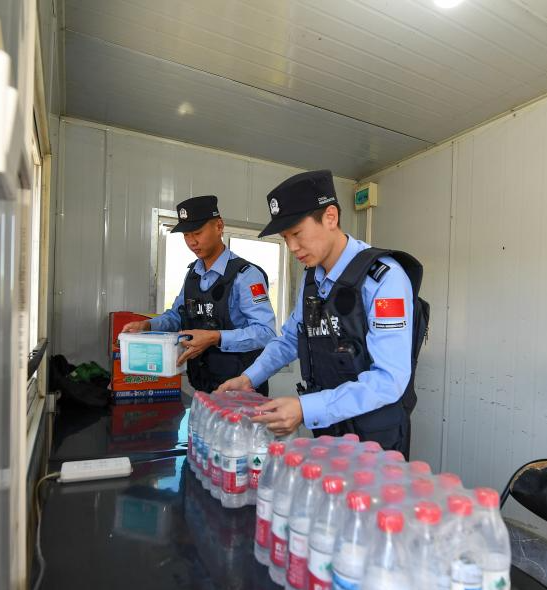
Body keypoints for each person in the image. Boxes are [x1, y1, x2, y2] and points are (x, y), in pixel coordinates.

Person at [216, 170, 425, 456]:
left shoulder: (383, 278)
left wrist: (306, 408)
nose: (292, 247)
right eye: (285, 237)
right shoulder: (312, 278)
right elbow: (291, 338)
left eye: (297, 234)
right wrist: (249, 378)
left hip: (374, 439)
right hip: (328, 430)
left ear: (330, 217)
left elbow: (390, 379)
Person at [122, 195, 277, 394]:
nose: (192, 242)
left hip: (241, 390)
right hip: (203, 386)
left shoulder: (246, 276)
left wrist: (215, 337)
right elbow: (178, 315)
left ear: (219, 226)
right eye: (186, 235)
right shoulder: (193, 275)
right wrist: (148, 326)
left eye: (197, 233)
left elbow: (266, 333)